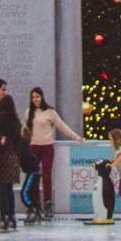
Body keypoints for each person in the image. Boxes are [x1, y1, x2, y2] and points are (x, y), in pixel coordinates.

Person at [23, 86, 82, 221]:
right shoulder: (28, 113)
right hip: (33, 148)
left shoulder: (50, 112)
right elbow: (24, 130)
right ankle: (34, 205)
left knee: (46, 175)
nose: (35, 99)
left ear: (42, 97)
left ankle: (48, 203)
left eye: (37, 96)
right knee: (33, 177)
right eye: (33, 97)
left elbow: (62, 126)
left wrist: (76, 137)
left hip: (47, 148)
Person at [0, 83, 23, 231]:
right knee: (8, 187)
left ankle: (3, 217)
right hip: (13, 156)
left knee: (2, 188)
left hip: (2, 155)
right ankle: (12, 216)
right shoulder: (16, 122)